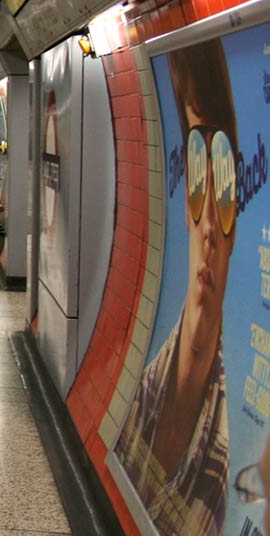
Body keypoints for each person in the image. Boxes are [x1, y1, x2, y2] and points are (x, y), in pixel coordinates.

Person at [115, 39, 233, 535]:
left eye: (225, 189)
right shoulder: (142, 383)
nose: (210, 227)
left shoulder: (222, 475)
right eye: (201, 183)